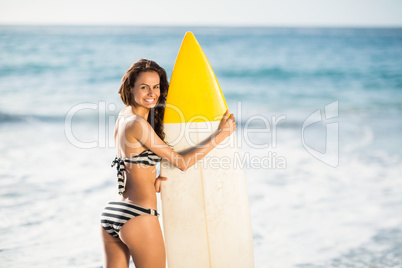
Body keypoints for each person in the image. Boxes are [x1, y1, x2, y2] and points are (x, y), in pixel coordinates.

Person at [100, 58, 236, 268]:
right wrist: (221, 135)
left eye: (156, 87)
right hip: (139, 216)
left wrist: (149, 182)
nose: (152, 93)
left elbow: (130, 162)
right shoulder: (138, 124)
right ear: (131, 87)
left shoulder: (123, 116)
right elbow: (181, 162)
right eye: (144, 87)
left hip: (114, 213)